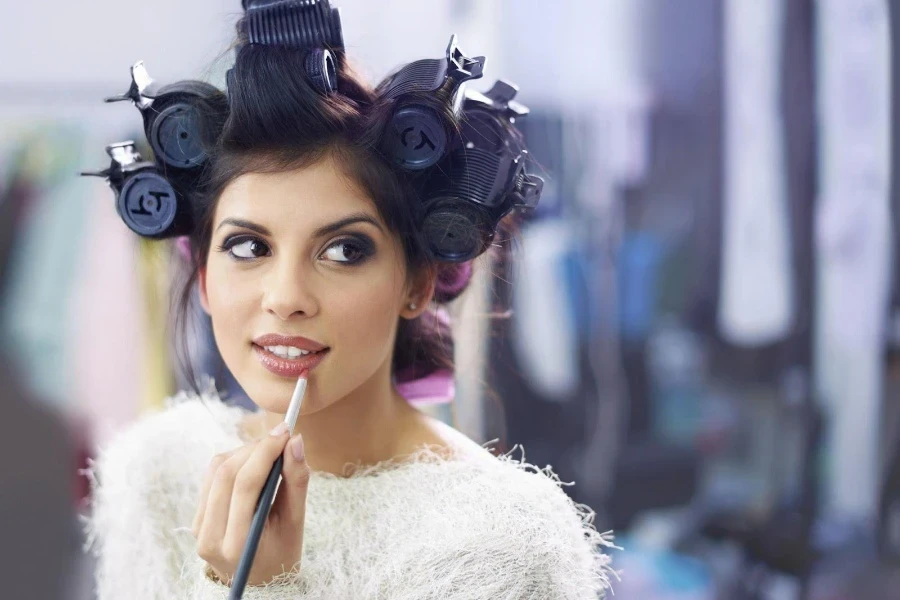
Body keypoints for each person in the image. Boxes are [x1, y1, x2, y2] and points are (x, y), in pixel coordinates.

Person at [81, 1, 616, 598]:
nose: (286, 299)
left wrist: (265, 588)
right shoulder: (152, 473)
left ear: (418, 282)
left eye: (343, 251)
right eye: (248, 246)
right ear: (203, 276)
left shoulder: (502, 545)